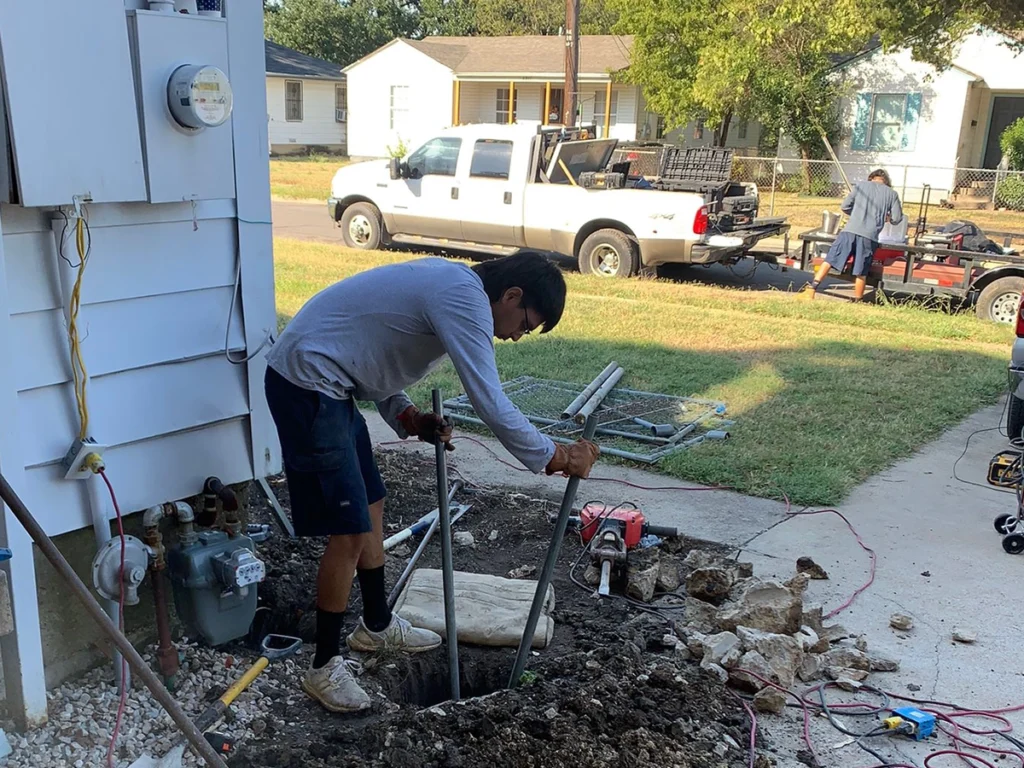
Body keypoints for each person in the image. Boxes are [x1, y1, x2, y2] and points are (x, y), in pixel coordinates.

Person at [263, 252, 600, 713]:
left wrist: (409, 415)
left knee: (372, 506)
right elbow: (489, 399)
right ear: (512, 295)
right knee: (348, 531)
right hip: (308, 386)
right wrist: (556, 456)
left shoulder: (451, 284)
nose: (519, 335)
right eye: (526, 322)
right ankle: (323, 666)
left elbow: (372, 351)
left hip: (330, 385)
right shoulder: (464, 298)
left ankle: (377, 624)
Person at [798, 169, 903, 301]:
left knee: (830, 259)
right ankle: (857, 300)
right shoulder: (892, 194)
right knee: (861, 270)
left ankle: (811, 290)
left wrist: (856, 214)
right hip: (869, 237)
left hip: (849, 231)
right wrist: (886, 218)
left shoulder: (860, 186)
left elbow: (845, 206)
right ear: (887, 182)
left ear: (871, 178)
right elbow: (897, 218)